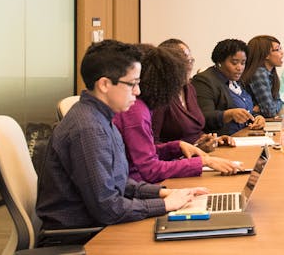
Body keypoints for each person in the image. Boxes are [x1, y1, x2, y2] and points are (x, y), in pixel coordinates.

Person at [36, 40, 205, 229]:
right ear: (105, 84)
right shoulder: (89, 129)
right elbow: (108, 208)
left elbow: (120, 183)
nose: (138, 91)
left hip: (99, 224)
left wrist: (164, 193)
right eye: (132, 84)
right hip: (84, 234)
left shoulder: (102, 117)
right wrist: (165, 205)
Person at [112, 44, 240, 182]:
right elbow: (150, 169)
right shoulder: (136, 111)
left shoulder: (142, 107)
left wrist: (177, 146)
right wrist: (204, 162)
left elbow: (146, 151)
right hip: (141, 187)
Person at [152, 39, 230, 152]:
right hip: (176, 162)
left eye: (190, 61)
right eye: (184, 62)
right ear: (168, 64)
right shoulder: (160, 95)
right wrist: (190, 149)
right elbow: (152, 144)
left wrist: (211, 140)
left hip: (198, 155)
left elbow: (195, 131)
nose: (189, 67)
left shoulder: (189, 88)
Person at [192, 39, 266, 135]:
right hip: (222, 141)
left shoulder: (237, 81)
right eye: (234, 63)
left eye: (243, 63)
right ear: (219, 62)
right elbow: (203, 117)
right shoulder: (204, 81)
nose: (239, 68)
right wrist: (228, 114)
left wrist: (256, 117)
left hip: (244, 136)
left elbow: (245, 109)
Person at [244, 35, 284, 118]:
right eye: (277, 49)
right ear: (265, 55)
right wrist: (274, 104)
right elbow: (270, 112)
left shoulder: (270, 73)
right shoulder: (259, 73)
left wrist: (260, 108)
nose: (282, 53)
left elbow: (279, 101)